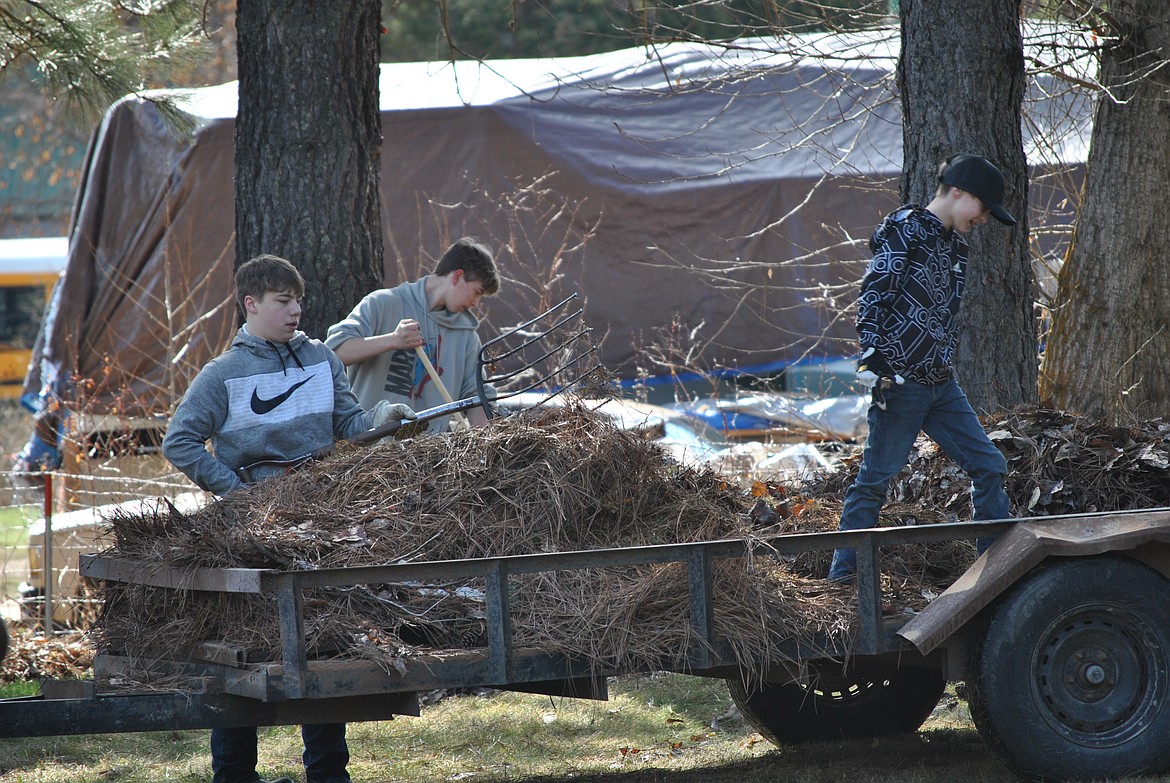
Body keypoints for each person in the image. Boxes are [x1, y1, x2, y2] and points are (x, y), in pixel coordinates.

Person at [162, 253, 414, 783]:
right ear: (251, 304)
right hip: (248, 534)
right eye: (283, 301)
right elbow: (179, 441)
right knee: (242, 655)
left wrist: (383, 420)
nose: (295, 309)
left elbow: (350, 424)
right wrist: (235, 493)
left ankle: (327, 774)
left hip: (323, 523)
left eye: (298, 299)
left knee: (321, 646)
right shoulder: (224, 374)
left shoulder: (322, 359)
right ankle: (234, 776)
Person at [827, 154, 1017, 584]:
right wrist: (873, 352)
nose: (984, 219)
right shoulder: (906, 227)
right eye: (983, 208)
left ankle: (995, 570)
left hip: (941, 384)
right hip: (901, 381)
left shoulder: (956, 246)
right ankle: (843, 577)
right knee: (876, 479)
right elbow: (875, 291)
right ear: (957, 193)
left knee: (989, 466)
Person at [325, 237, 500, 431]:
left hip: (427, 456)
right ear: (457, 276)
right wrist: (392, 341)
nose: (475, 303)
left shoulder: (467, 338)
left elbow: (477, 398)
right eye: (477, 292)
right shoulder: (383, 304)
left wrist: (486, 446)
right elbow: (334, 355)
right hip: (368, 448)